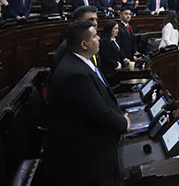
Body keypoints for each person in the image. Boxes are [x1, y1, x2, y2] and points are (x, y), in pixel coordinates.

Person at [45, 20, 130, 186]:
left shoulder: (82, 61)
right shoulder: (74, 74)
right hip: (86, 155)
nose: (98, 38)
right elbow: (97, 110)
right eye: (95, 36)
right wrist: (123, 123)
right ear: (84, 44)